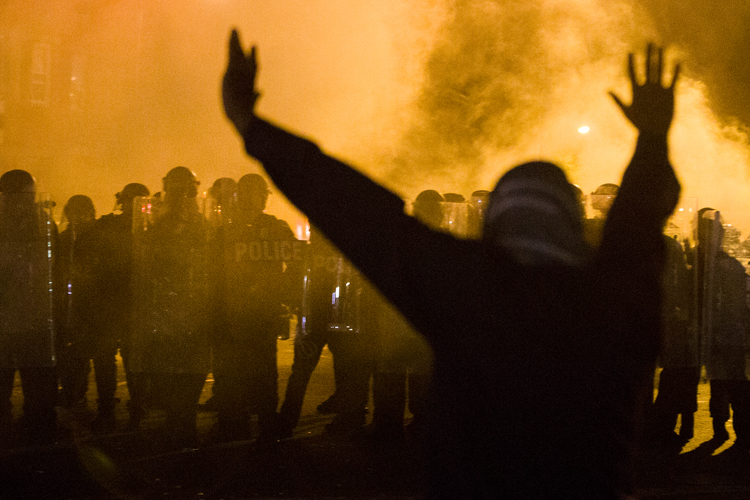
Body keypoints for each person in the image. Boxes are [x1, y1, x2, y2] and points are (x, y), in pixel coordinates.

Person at [223, 33, 680, 499]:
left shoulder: (472, 289)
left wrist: (250, 125)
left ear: (497, 224)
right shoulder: (616, 297)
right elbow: (638, 222)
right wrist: (654, 137)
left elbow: (359, 213)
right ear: (572, 223)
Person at [211, 173, 301, 444]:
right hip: (246, 310)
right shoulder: (232, 228)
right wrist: (282, 292)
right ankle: (257, 419)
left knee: (242, 369)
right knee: (257, 368)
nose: (258, 199)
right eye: (257, 193)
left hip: (245, 311)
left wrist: (282, 292)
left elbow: (296, 264)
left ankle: (238, 420)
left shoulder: (228, 229)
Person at [129, 167, 211, 447]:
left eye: (186, 191)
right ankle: (177, 421)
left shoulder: (203, 225)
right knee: (168, 370)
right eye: (177, 191)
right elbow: (146, 263)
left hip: (194, 309)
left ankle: (183, 421)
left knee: (192, 369)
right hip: (166, 310)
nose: (182, 196)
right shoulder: (159, 227)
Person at [278, 227, 373, 438]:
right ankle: (350, 417)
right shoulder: (345, 252)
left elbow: (290, 282)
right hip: (336, 318)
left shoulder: (308, 253)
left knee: (303, 371)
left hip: (317, 319)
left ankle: (287, 419)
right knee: (344, 370)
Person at [0, 170, 58, 445]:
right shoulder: (40, 223)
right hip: (12, 319)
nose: (29, 202)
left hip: (33, 320)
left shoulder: (43, 223)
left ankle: (36, 437)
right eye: (26, 196)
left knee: (39, 392)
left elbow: (56, 269)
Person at [693, 208, 750, 449]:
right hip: (719, 333)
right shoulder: (704, 263)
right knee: (721, 383)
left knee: (734, 384)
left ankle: (741, 433)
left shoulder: (726, 265)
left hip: (729, 334)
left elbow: (738, 301)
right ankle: (724, 430)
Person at [96, 182, 151, 430]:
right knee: (124, 359)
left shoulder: (148, 229)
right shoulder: (146, 228)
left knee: (122, 358)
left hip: (123, 303)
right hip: (119, 302)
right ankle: (127, 408)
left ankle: (115, 408)